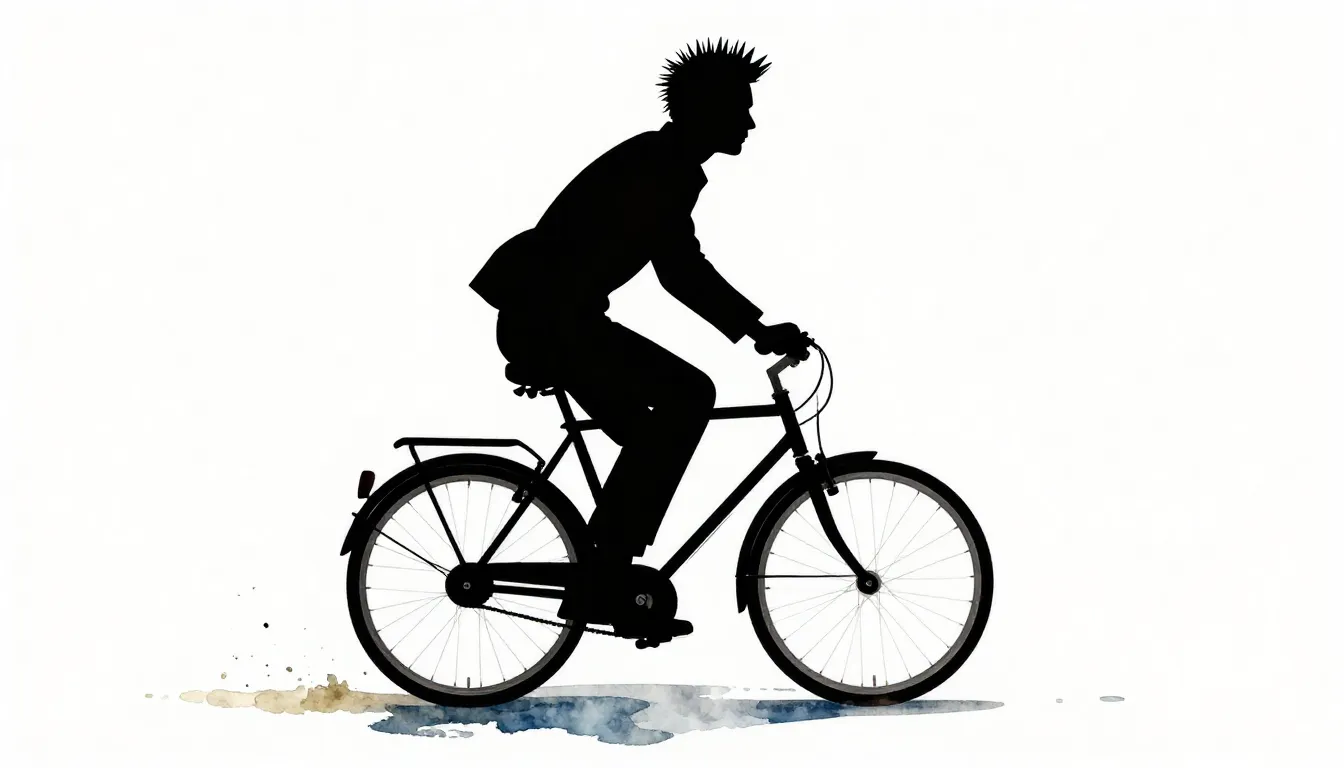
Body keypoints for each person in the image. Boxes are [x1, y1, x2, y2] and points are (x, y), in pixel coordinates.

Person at [469, 39, 811, 635]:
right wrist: (755, 328)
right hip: (551, 322)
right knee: (688, 397)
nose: (750, 122)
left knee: (660, 425)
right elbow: (680, 270)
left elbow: (677, 266)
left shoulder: (664, 162)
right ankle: (606, 576)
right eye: (740, 108)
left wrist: (753, 327)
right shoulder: (660, 168)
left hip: (556, 320)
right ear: (707, 110)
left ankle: (608, 570)